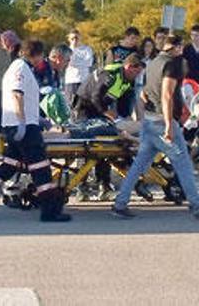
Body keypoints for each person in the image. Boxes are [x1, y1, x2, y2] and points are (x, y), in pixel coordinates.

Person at [0, 40, 71, 222]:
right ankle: (49, 212)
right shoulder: (20, 68)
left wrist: (37, 119)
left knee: (8, 166)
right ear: (36, 55)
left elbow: (24, 97)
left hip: (22, 124)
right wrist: (23, 122)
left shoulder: (21, 67)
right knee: (41, 168)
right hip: (23, 128)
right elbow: (16, 94)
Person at [112, 35, 199, 219]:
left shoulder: (153, 63)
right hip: (162, 121)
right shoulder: (172, 64)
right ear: (176, 47)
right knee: (183, 163)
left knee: (139, 165)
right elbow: (166, 95)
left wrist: (144, 119)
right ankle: (196, 204)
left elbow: (142, 94)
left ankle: (120, 203)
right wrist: (168, 125)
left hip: (150, 121)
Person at [72, 53, 145, 200]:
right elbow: (95, 96)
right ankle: (81, 187)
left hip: (101, 108)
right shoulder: (110, 74)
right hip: (84, 107)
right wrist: (107, 114)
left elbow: (124, 107)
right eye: (136, 72)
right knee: (86, 147)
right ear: (129, 67)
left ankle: (104, 186)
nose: (138, 76)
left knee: (104, 146)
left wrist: (126, 122)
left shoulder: (128, 81)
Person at [64, 29, 94, 106]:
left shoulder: (87, 49)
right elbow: (67, 63)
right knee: (71, 104)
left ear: (80, 38)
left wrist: (74, 63)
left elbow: (88, 63)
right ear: (69, 39)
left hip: (84, 80)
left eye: (76, 38)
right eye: (72, 38)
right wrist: (80, 62)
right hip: (71, 81)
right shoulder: (66, 50)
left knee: (84, 105)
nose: (74, 40)